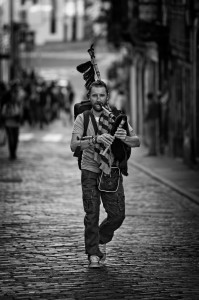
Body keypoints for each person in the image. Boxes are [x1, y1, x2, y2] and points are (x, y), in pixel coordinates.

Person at [70, 80, 140, 268]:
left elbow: (137, 141)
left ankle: (100, 239)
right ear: (89, 97)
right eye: (94, 95)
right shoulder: (82, 118)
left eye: (101, 95)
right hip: (90, 170)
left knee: (118, 215)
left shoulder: (117, 117)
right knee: (91, 213)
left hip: (111, 172)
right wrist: (94, 139)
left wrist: (124, 137)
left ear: (107, 97)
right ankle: (93, 253)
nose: (98, 99)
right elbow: (74, 145)